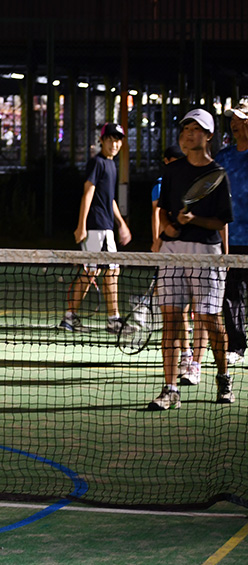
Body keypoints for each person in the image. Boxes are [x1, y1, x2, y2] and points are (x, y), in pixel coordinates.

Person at [149, 109, 235, 410]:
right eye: (185, 127)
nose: (188, 133)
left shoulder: (217, 175)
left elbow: (222, 221)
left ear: (208, 135)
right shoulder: (172, 171)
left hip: (206, 253)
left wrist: (194, 219)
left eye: (196, 128)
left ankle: (223, 379)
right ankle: (170, 388)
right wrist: (166, 227)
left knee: (209, 318)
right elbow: (162, 209)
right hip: (173, 251)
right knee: (171, 318)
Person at [59, 123, 133, 333]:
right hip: (94, 228)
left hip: (106, 228)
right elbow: (88, 193)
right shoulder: (97, 163)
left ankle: (112, 319)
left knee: (110, 271)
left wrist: (121, 224)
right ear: (102, 140)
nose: (115, 143)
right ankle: (71, 317)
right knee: (91, 273)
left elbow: (108, 199)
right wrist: (81, 226)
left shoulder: (111, 165)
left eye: (118, 139)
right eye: (110, 139)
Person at [150, 146, 195, 375]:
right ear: (166, 161)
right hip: (167, 251)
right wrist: (158, 242)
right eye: (173, 160)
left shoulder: (190, 180)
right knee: (173, 313)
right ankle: (183, 358)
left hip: (187, 253)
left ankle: (188, 355)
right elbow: (157, 213)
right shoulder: (161, 183)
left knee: (183, 310)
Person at [217, 103, 248, 367]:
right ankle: (236, 345)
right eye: (233, 119)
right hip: (231, 238)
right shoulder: (223, 157)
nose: (235, 124)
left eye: (241, 119)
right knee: (231, 295)